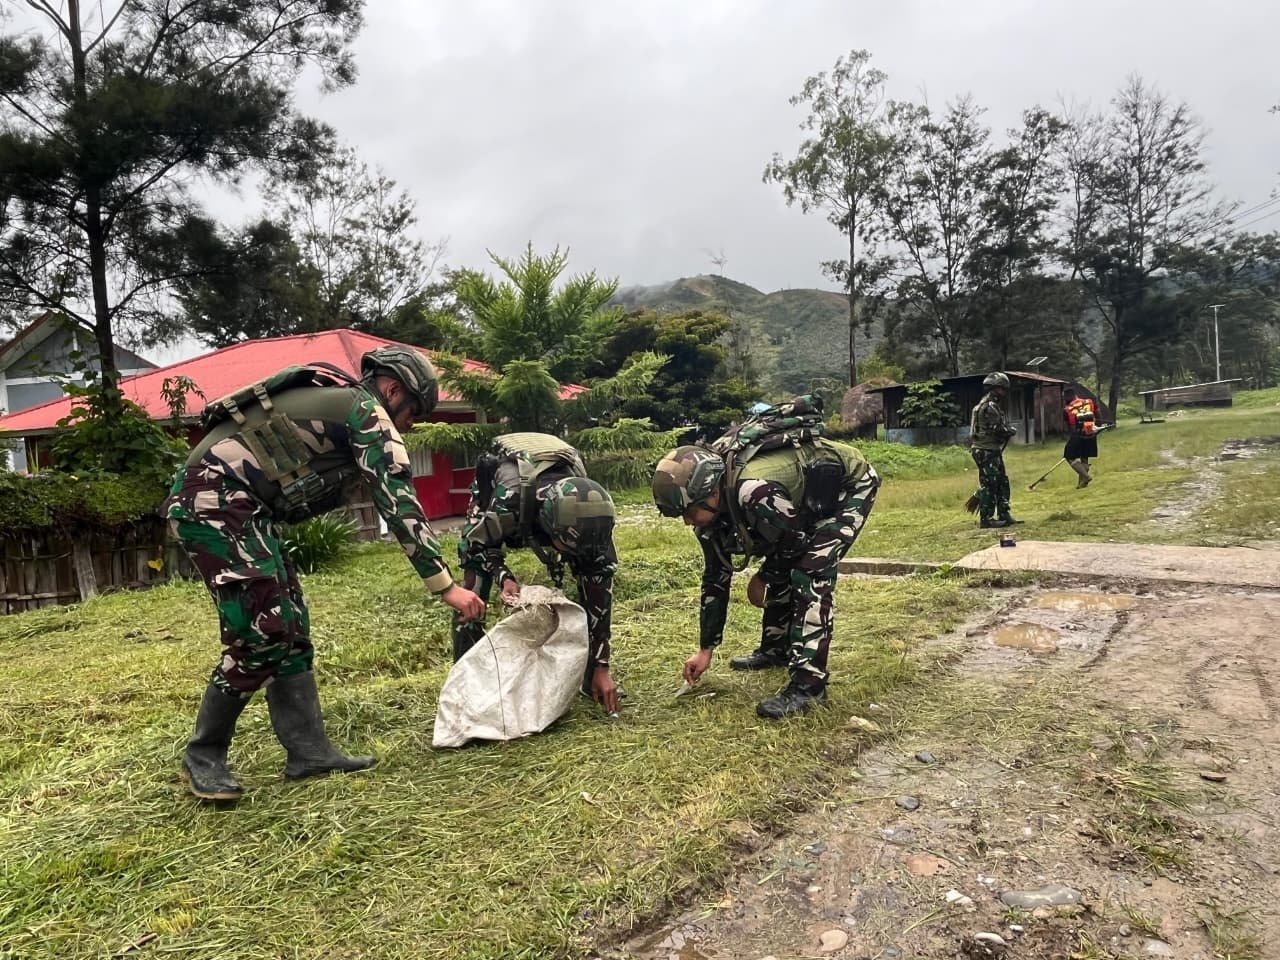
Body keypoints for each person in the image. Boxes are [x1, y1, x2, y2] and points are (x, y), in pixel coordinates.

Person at [166, 346, 486, 801]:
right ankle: (203, 756)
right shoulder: (366, 412)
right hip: (213, 502)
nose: (412, 425)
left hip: (245, 508)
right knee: (263, 633)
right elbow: (399, 503)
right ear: (393, 390)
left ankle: (309, 752)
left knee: (291, 627)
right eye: (414, 412)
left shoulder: (347, 405)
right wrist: (446, 586)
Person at [652, 431, 879, 719]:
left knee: (810, 571)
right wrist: (705, 649)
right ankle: (776, 649)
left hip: (849, 485)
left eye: (690, 511)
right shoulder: (710, 515)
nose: (688, 521)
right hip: (799, 502)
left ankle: (809, 687)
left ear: (713, 493)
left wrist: (762, 577)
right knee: (783, 557)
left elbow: (794, 543)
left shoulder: (755, 492)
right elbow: (715, 579)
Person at [454, 432, 620, 715]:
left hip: (556, 474)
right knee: (473, 587)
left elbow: (599, 588)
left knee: (593, 575)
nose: (576, 555)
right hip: (503, 483)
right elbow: (475, 546)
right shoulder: (508, 503)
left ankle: (591, 677)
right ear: (547, 528)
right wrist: (504, 576)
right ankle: (466, 686)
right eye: (569, 548)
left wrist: (602, 665)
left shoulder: (591, 517)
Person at [969, 371, 1019, 528]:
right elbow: (997, 429)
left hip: (988, 449)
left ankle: (1004, 513)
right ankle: (986, 518)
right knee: (990, 484)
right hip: (986, 450)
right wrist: (1009, 430)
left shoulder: (984, 405)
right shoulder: (989, 407)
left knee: (1002, 481)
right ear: (995, 389)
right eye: (1002, 389)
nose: (1004, 393)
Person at [1062, 387, 1099, 488]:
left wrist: (1072, 437)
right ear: (1075, 395)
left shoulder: (1067, 409)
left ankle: (1086, 477)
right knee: (1084, 457)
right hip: (1091, 431)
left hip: (1078, 434)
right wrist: (1095, 427)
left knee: (1069, 457)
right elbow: (1098, 414)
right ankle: (1081, 484)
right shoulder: (1089, 402)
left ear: (1066, 397)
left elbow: (1070, 427)